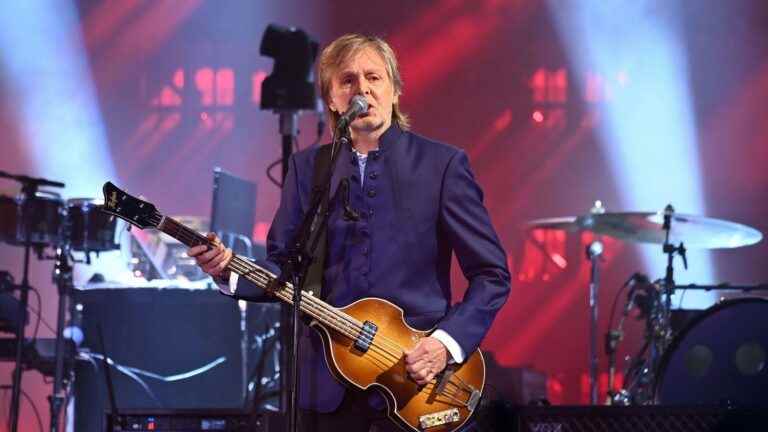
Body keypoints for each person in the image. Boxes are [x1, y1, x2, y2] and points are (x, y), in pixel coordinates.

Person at [189, 33, 510, 431]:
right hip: (328, 390)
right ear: (332, 100)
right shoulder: (308, 170)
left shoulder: (441, 165)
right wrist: (226, 270)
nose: (363, 89)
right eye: (348, 81)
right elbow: (282, 268)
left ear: (395, 90)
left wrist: (444, 345)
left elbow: (492, 275)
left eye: (374, 77)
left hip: (419, 382)